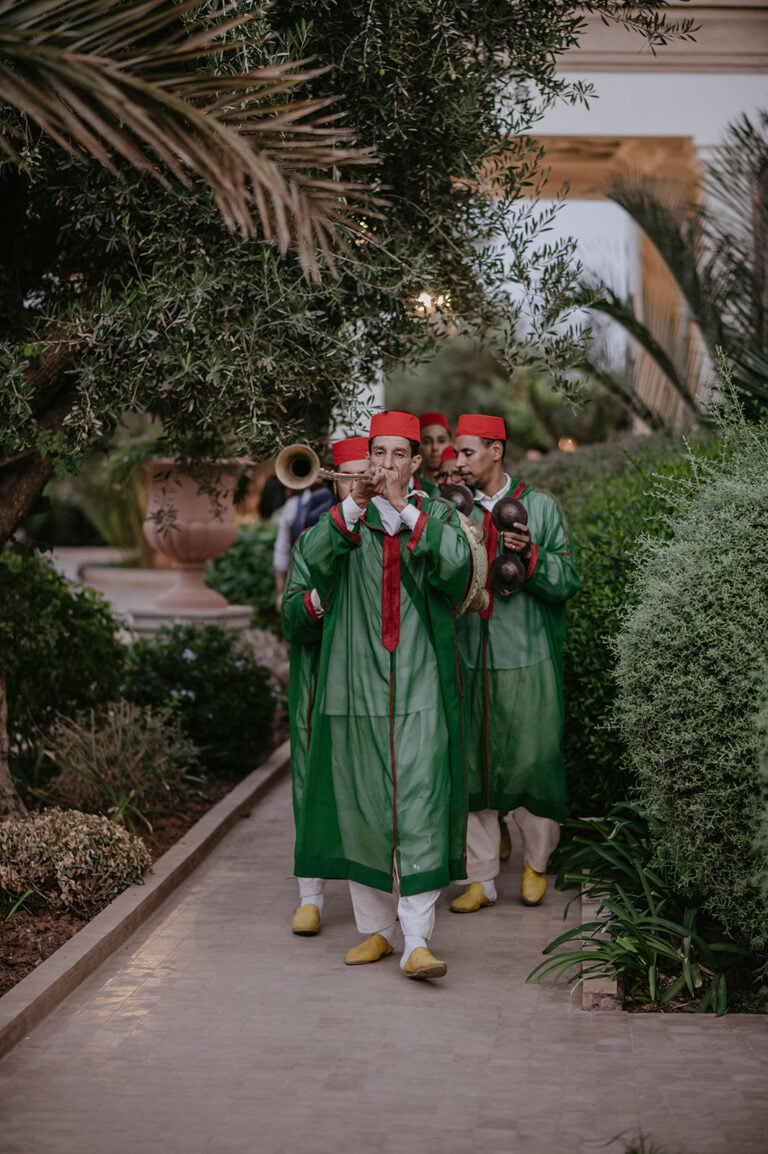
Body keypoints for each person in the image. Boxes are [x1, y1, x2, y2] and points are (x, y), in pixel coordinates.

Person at [292, 410, 471, 980]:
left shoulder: (437, 514)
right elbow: (311, 564)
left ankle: (417, 939)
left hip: (420, 687)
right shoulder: (343, 522)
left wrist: (407, 513)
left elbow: (457, 571)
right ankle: (377, 932)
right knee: (361, 806)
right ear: (367, 462)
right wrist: (357, 507)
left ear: (416, 463)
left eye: (398, 455)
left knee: (420, 803)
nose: (386, 465)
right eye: (378, 455)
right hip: (354, 689)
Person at [450, 413, 580, 911]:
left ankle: (535, 865)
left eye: (467, 453)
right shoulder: (449, 510)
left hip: (527, 657)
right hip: (466, 655)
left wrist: (532, 558)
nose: (458, 462)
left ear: (495, 450)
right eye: (457, 453)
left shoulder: (540, 507)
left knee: (534, 764)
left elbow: (567, 580)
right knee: (471, 767)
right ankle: (480, 879)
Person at [281, 437, 370, 936]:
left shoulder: (390, 535)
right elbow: (291, 618)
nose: (358, 485)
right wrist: (318, 599)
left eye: (366, 474)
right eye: (349, 477)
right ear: (335, 484)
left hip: (372, 683)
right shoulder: (312, 538)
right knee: (311, 783)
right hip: (321, 680)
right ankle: (310, 894)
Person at [273, 479, 335, 610]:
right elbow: (282, 550)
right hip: (301, 589)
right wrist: (280, 592)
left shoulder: (341, 503)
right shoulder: (292, 506)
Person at [418, 411, 452, 491]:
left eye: (441, 441)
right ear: (418, 446)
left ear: (451, 444)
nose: (435, 448)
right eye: (427, 442)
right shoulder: (410, 486)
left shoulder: (461, 487)